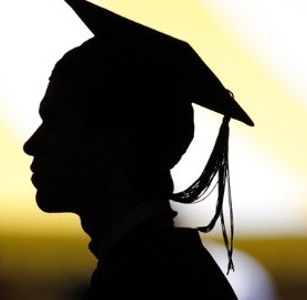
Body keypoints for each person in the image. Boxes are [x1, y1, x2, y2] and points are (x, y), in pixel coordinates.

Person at [23, 0, 254, 299]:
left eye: (54, 123)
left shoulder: (148, 280)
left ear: (113, 146)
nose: (32, 144)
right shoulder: (161, 264)